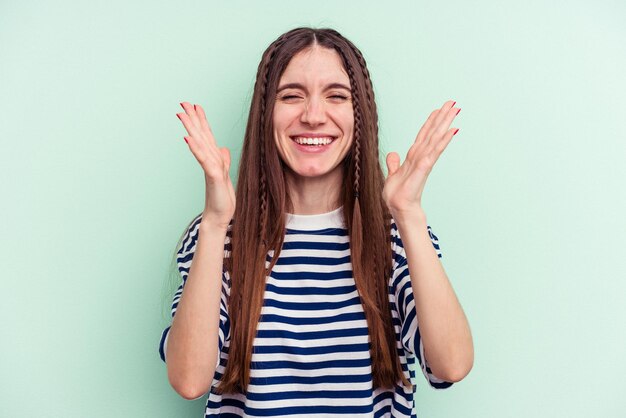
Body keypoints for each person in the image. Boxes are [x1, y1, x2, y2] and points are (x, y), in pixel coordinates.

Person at [159, 27, 473, 417]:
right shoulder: (218, 236)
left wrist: (408, 215)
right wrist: (215, 222)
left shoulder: (397, 237)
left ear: (359, 115)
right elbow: (189, 380)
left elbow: (452, 364)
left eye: (336, 96)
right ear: (265, 114)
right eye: (291, 96)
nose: (312, 116)